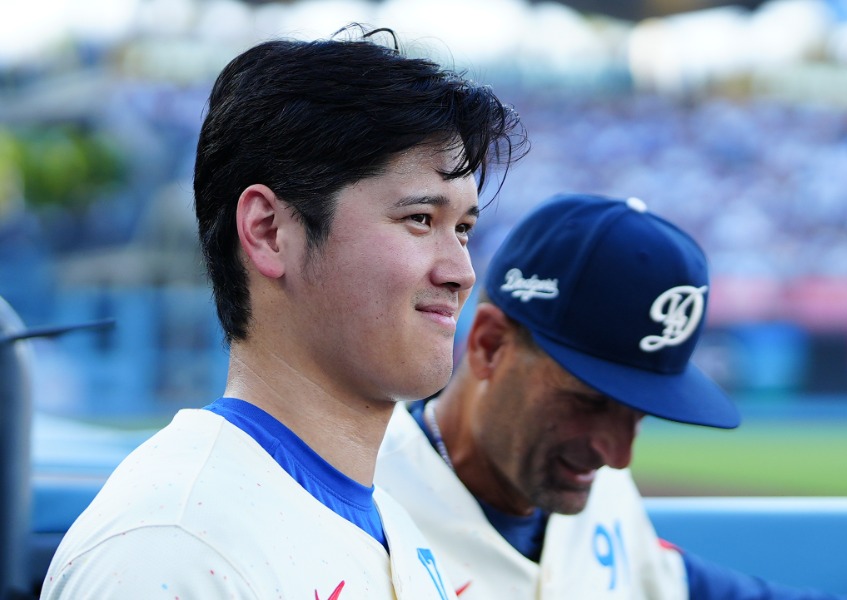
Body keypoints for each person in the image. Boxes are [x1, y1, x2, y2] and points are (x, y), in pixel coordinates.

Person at [40, 25, 527, 599]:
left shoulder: (386, 521)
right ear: (269, 232)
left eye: (464, 230)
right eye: (420, 219)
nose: (461, 271)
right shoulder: (173, 544)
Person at [375, 192, 847, 599]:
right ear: (489, 346)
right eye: (590, 402)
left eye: (640, 414)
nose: (618, 454)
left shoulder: (597, 490)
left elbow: (688, 586)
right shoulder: (359, 502)